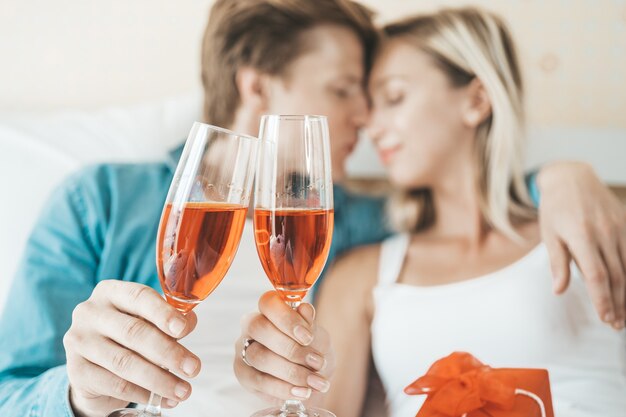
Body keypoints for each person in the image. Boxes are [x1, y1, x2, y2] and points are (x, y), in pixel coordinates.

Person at [0, 1, 624, 416]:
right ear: (257, 84)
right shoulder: (101, 201)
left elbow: (471, 213)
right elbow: (12, 391)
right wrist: (79, 393)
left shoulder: (349, 222)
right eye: (345, 89)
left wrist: (562, 178)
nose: (365, 118)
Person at [234, 6, 626, 417]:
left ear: (477, 99)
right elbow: (316, 409)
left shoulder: (586, 228)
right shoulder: (361, 275)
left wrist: (565, 175)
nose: (371, 124)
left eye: (395, 97)